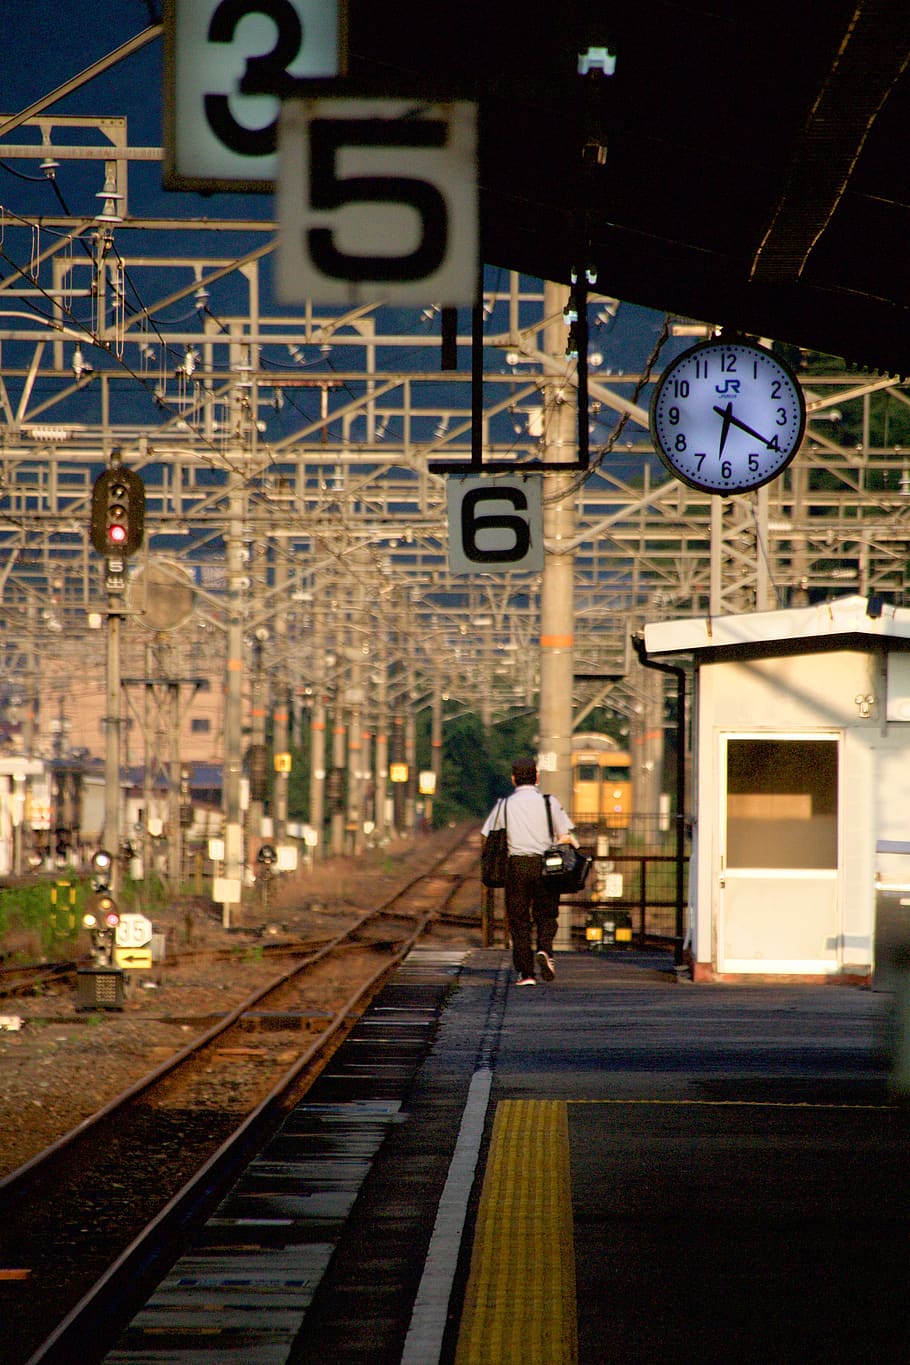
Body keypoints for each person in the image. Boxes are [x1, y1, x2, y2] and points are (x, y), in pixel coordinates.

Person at [481, 757, 577, 986]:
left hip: (517, 866)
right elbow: (565, 834)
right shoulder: (548, 802)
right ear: (536, 778)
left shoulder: (504, 805)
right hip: (546, 866)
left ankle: (526, 974)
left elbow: (488, 834)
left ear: (513, 779)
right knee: (546, 914)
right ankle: (545, 951)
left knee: (519, 920)